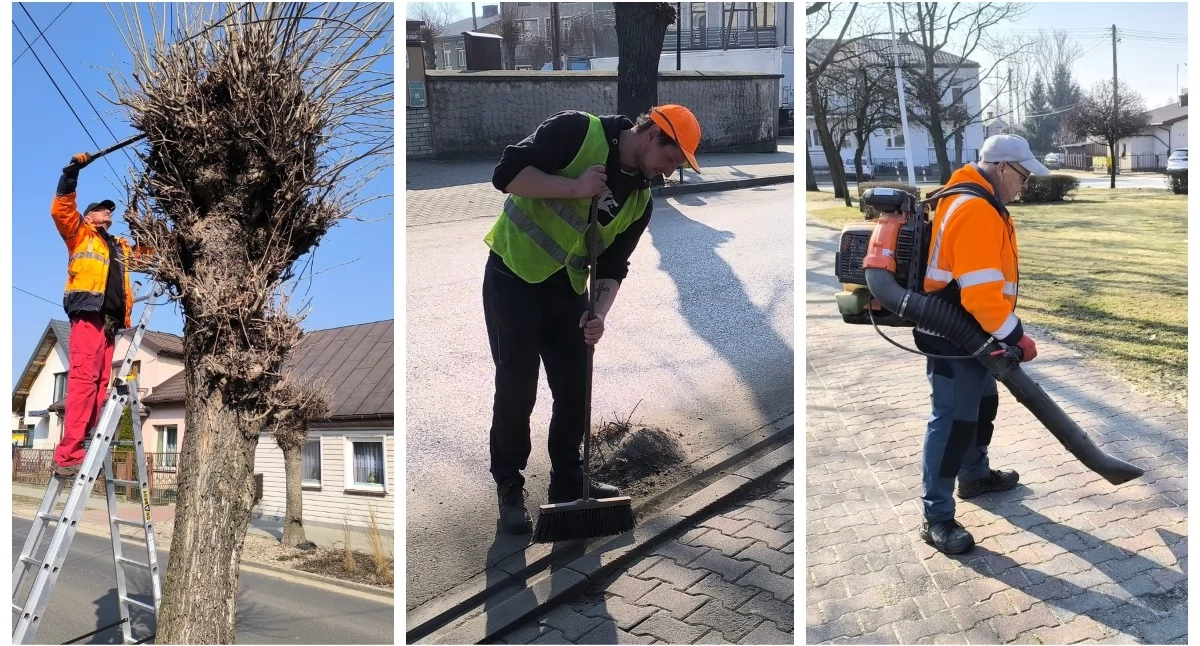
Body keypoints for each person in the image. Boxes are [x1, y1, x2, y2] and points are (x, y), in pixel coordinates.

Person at [483, 105, 702, 534]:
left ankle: (567, 480)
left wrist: (597, 314)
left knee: (575, 389)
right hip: (513, 276)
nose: (668, 174)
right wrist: (572, 187)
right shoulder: (577, 131)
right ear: (653, 134)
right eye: (671, 160)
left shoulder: (639, 201)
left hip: (567, 291)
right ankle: (509, 485)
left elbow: (615, 265)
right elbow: (505, 174)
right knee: (517, 388)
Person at [913, 134, 1049, 554]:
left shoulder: (976, 199)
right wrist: (1018, 337)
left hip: (973, 334)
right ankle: (935, 516)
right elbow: (981, 296)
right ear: (1004, 168)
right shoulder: (975, 209)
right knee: (953, 422)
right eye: (1023, 176)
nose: (1024, 186)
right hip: (957, 333)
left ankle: (974, 475)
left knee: (983, 405)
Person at [50, 152, 154, 479]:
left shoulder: (120, 246)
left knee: (99, 382)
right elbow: (61, 209)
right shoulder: (79, 233)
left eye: (111, 210)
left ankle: (89, 438)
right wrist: (71, 174)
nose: (108, 212)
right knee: (82, 381)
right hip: (87, 314)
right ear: (90, 214)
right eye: (102, 208)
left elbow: (147, 256)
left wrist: (145, 227)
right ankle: (67, 455)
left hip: (109, 324)